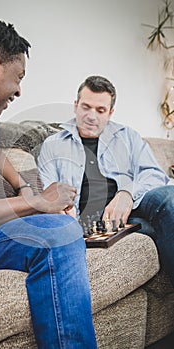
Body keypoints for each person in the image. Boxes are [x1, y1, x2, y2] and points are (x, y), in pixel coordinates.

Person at [0, 18, 97, 349]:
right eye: (19, 77)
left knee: (62, 230)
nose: (20, 90)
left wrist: (29, 187)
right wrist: (35, 204)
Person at [38, 75, 174, 287]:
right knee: (159, 232)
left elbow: (155, 175)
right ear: (75, 106)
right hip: (94, 227)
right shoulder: (52, 145)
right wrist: (61, 211)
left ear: (110, 113)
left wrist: (127, 194)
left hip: (132, 211)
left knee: (168, 198)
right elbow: (47, 193)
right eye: (86, 107)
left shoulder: (127, 136)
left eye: (100, 110)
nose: (91, 116)